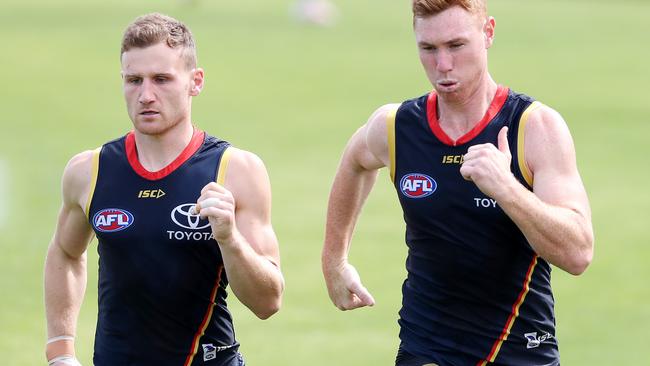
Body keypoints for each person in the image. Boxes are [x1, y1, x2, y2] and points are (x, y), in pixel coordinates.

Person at [321, 1, 594, 365]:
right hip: (425, 350)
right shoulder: (397, 126)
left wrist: (506, 187)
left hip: (519, 353)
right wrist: (334, 261)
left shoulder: (535, 128)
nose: (443, 65)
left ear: (488, 34)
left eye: (456, 46)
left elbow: (578, 253)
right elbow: (355, 161)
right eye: (428, 49)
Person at [44, 13, 284, 366]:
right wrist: (60, 350)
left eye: (161, 79)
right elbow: (65, 254)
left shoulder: (235, 171)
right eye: (133, 80)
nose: (145, 95)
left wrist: (230, 239)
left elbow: (268, 302)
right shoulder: (89, 171)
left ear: (195, 81)